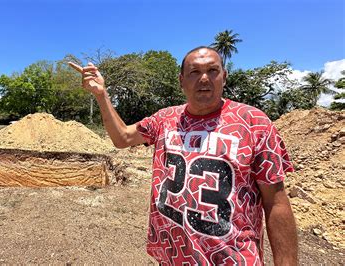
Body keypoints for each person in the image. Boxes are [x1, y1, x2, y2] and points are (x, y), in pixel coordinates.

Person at [69, 46, 298, 265]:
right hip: (171, 257)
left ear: (224, 77)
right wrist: (101, 95)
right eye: (195, 72)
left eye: (212, 71)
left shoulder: (254, 123)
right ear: (181, 81)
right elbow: (123, 138)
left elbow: (276, 202)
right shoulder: (164, 119)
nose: (204, 78)